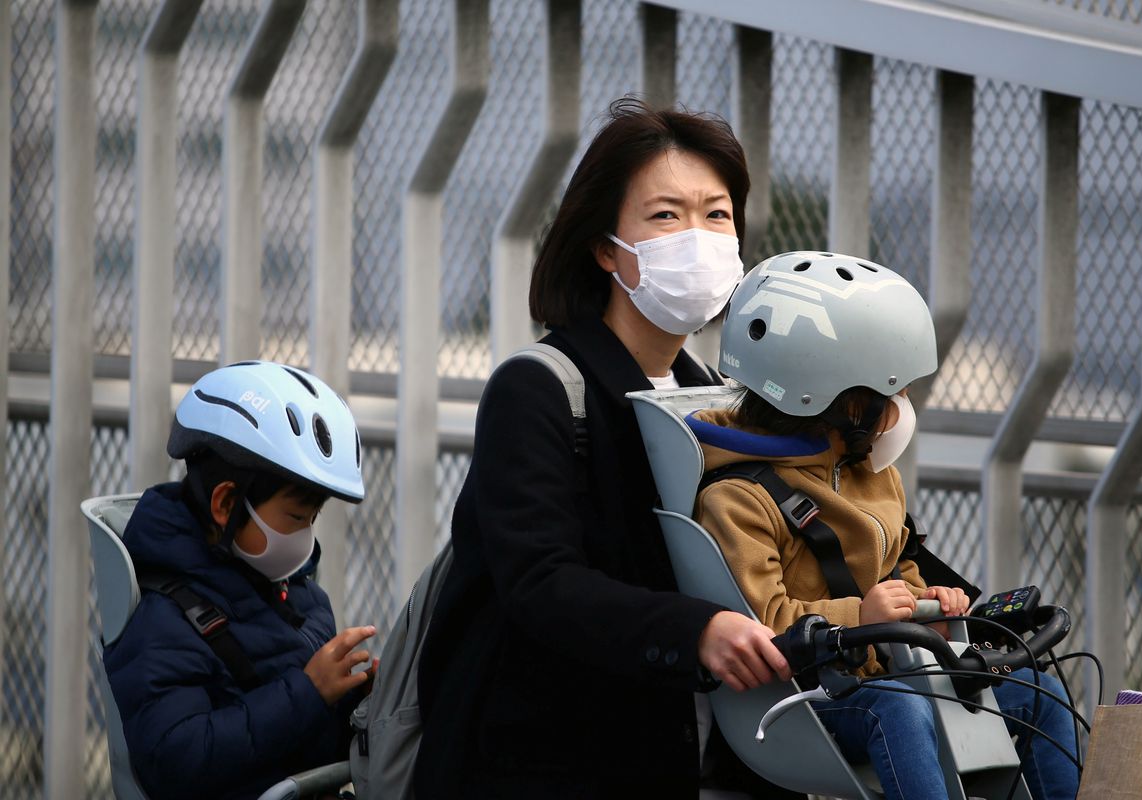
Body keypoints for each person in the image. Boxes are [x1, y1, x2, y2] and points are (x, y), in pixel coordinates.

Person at [414, 98, 795, 799]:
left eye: (716, 214)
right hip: (547, 766)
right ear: (605, 248)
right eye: (666, 215)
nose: (698, 237)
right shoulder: (538, 388)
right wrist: (695, 632)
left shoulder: (715, 400)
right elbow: (540, 580)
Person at [691, 251, 1081, 800]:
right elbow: (765, 624)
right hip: (814, 698)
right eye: (894, 392)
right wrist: (862, 616)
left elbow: (897, 568)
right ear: (850, 406)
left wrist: (931, 606)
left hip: (894, 672)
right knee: (900, 708)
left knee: (1039, 694)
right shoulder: (738, 499)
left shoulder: (873, 476)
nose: (903, 405)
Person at [103, 361, 378, 800]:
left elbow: (303, 741)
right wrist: (309, 692)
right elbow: (175, 759)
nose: (306, 535)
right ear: (226, 504)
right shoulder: (164, 621)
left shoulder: (302, 600)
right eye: (296, 516)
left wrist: (359, 703)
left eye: (313, 518)